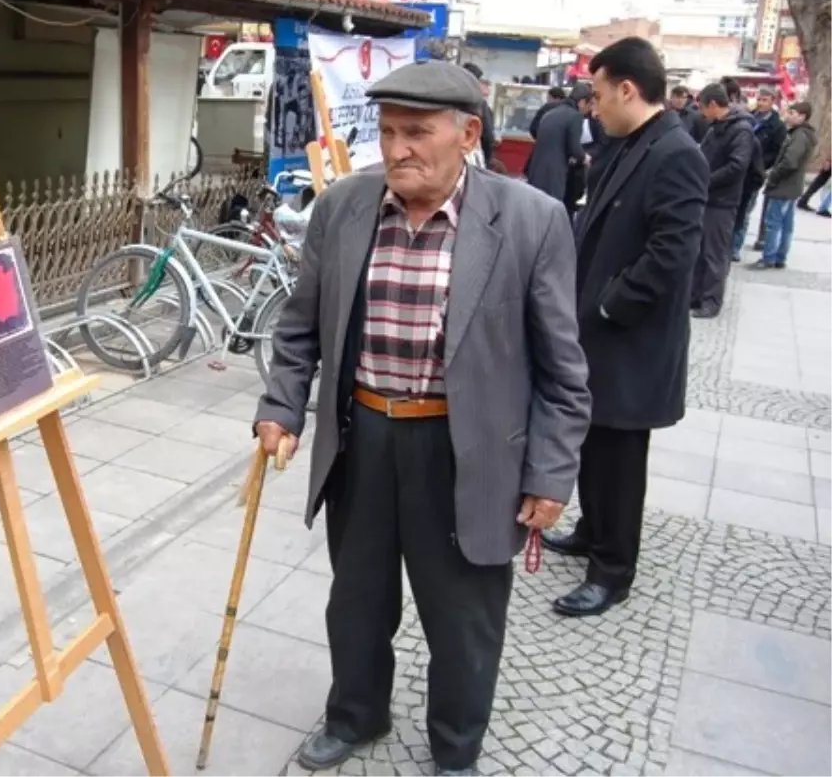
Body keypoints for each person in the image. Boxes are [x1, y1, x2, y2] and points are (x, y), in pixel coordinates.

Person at [253, 60, 591, 775]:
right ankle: (355, 714)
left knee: (464, 616)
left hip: (465, 449)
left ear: (467, 133)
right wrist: (280, 407)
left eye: (417, 132)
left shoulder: (530, 221)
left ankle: (456, 749)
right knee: (358, 600)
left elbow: (564, 371)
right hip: (365, 436)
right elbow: (299, 328)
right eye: (387, 131)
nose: (397, 148)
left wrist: (551, 473)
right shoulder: (344, 207)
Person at [543, 37, 707, 617]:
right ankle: (593, 528)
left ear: (628, 89)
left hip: (628, 340)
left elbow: (673, 252)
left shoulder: (676, 152)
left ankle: (613, 569)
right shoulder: (631, 144)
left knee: (619, 457)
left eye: (600, 92)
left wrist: (611, 306)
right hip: (600, 334)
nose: (594, 105)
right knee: (593, 443)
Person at [691, 83, 754, 318]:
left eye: (703, 108)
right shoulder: (716, 127)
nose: (701, 114)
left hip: (722, 201)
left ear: (714, 105)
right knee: (698, 251)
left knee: (714, 253)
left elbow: (737, 166)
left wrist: (706, 179)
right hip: (706, 198)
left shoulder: (741, 130)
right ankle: (695, 295)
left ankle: (711, 300)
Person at [753, 101, 817, 270]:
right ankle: (779, 256)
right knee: (786, 223)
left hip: (784, 185)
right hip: (791, 186)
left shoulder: (799, 136)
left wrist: (773, 175)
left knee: (774, 223)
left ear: (803, 117)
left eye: (792, 113)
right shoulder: (800, 134)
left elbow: (790, 162)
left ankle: (769, 257)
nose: (788, 116)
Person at [525, 83, 592, 215]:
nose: (589, 110)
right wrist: (585, 158)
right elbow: (574, 147)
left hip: (536, 168)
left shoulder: (552, 112)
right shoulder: (575, 116)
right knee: (550, 212)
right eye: (589, 105)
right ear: (583, 102)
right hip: (554, 172)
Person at [743, 88, 789, 251]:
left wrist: (762, 165)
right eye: (759, 99)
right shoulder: (749, 118)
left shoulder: (777, 126)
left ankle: (748, 241)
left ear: (772, 102)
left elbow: (777, 151)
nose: (761, 103)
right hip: (741, 165)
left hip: (757, 169)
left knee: (748, 205)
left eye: (765, 100)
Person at [462, 62, 496, 165]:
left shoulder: (448, 99)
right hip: (471, 154)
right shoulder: (479, 103)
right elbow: (488, 136)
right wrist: (487, 159)